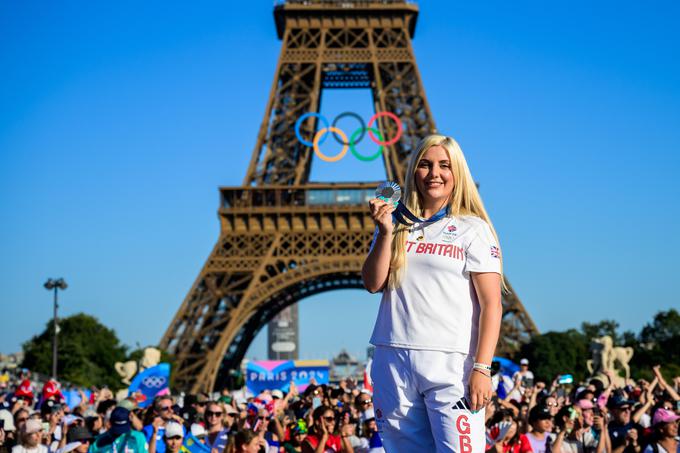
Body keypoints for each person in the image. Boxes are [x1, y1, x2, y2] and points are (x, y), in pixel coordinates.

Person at [362, 134, 504, 452]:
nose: (434, 173)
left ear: (457, 173)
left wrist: (482, 368)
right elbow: (373, 283)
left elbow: (492, 304)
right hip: (392, 356)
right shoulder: (395, 224)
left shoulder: (473, 228)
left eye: (444, 165)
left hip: (451, 362)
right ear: (414, 171)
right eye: (425, 165)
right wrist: (385, 233)